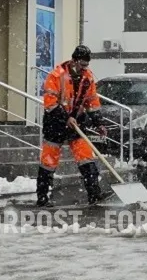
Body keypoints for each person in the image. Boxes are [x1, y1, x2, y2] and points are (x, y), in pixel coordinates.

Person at [37, 45, 107, 207]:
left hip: (78, 123)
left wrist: (99, 123)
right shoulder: (56, 76)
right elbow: (50, 103)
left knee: (86, 158)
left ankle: (94, 193)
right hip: (55, 124)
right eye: (82, 64)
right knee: (48, 161)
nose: (84, 68)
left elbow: (92, 103)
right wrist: (65, 118)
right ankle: (42, 196)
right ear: (74, 61)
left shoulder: (87, 78)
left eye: (86, 65)